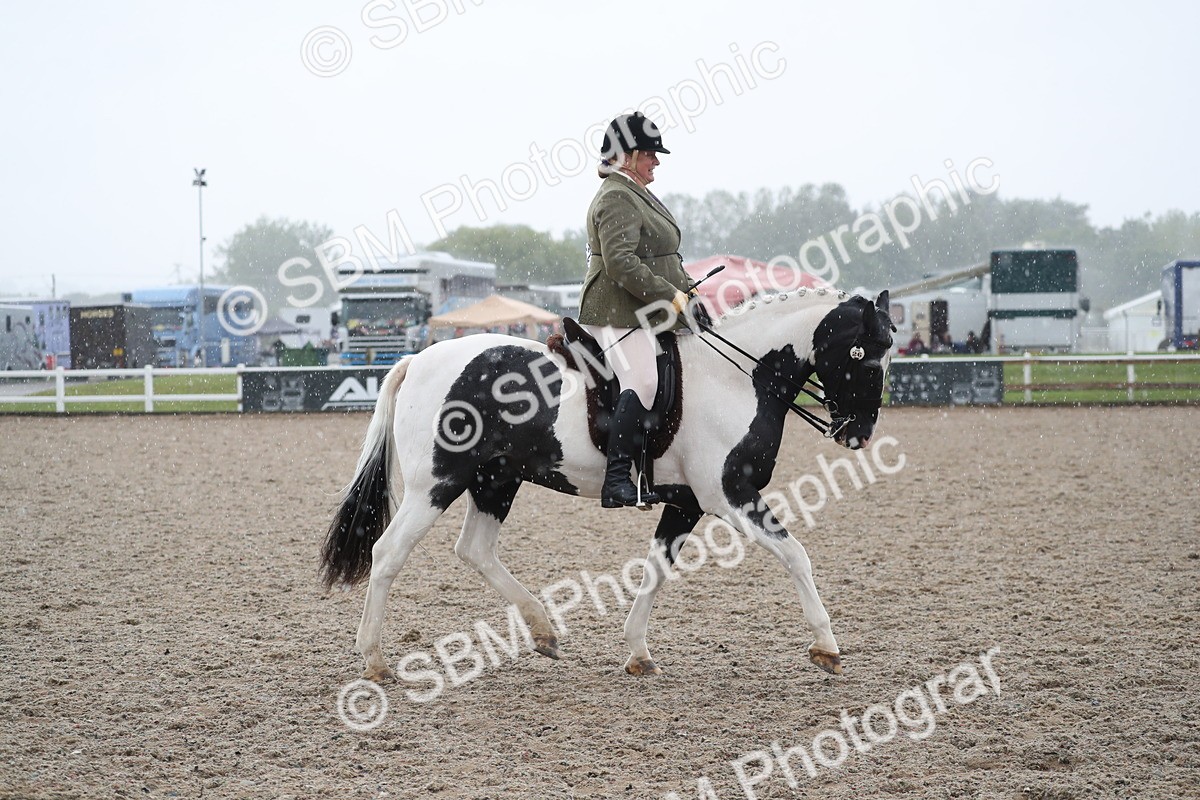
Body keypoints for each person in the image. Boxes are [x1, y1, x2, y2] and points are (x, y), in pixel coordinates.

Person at [578, 111, 698, 508]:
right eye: (649, 154)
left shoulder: (634, 191)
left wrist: (685, 287)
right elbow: (621, 263)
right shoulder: (617, 195)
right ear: (627, 155)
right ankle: (616, 480)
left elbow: (658, 255)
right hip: (614, 310)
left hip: (640, 308)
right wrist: (669, 294)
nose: (656, 161)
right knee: (644, 381)